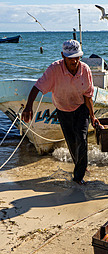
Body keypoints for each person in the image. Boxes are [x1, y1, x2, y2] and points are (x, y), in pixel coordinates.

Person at [22, 39, 100, 185]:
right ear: (63, 56)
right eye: (71, 58)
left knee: (81, 139)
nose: (74, 61)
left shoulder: (85, 70)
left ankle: (78, 177)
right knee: (72, 142)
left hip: (81, 107)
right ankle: (80, 165)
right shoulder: (54, 69)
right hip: (63, 109)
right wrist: (28, 106)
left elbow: (88, 96)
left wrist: (93, 116)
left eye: (77, 57)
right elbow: (37, 87)